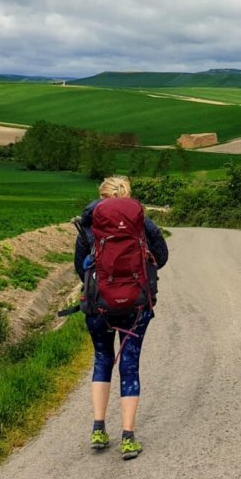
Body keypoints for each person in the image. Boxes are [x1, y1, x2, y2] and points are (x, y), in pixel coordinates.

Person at [74, 176, 168, 459]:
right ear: (128, 196)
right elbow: (161, 256)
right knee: (129, 365)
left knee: (102, 359)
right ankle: (128, 437)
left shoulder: (89, 225)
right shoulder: (143, 224)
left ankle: (99, 429)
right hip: (137, 306)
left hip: (98, 307)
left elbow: (80, 267)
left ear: (101, 197)